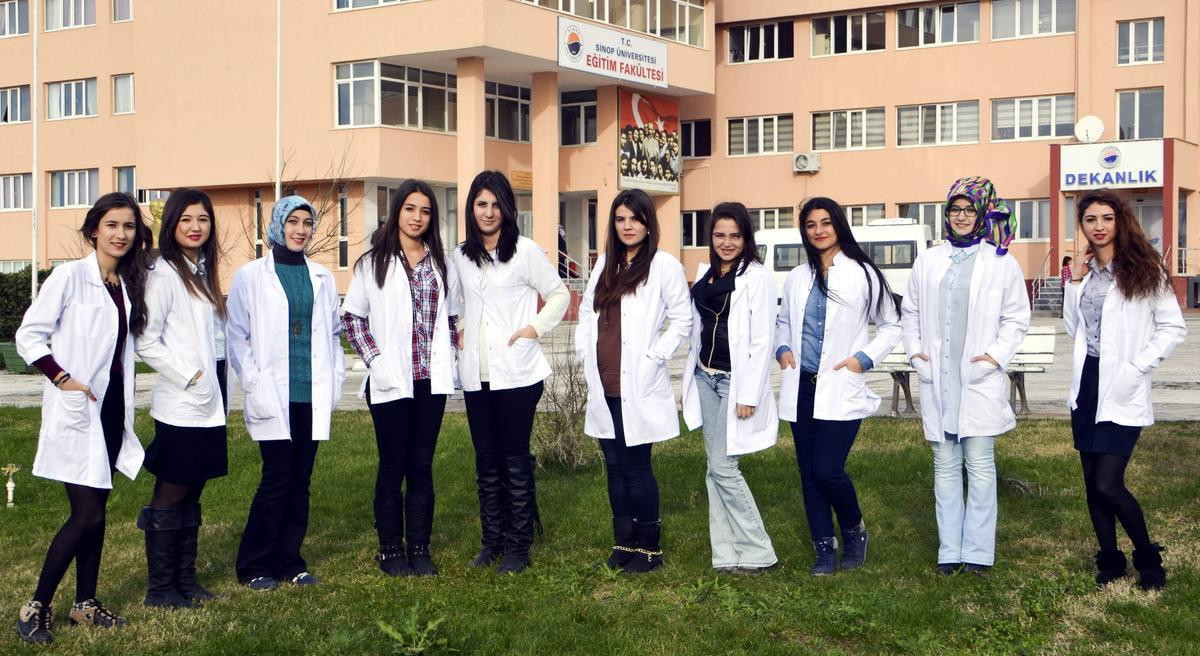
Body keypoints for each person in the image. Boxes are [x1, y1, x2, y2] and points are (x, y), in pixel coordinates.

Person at [14, 192, 152, 643]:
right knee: (86, 515)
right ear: (94, 230)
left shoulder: (124, 285)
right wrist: (61, 377)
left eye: (129, 226)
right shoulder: (70, 277)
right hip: (78, 408)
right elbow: (29, 336)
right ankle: (35, 606)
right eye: (112, 225)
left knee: (98, 510)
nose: (120, 234)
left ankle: (85, 605)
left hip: (110, 411)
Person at [901, 177, 1030, 576]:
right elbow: (910, 312)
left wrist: (994, 357)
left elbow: (1016, 318)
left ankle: (977, 552)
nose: (961, 216)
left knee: (980, 466)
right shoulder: (928, 260)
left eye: (969, 209)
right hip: (938, 378)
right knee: (944, 465)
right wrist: (915, 353)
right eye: (955, 209)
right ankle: (949, 551)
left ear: (983, 213)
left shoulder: (1001, 262)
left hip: (976, 378)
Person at [1064, 189, 1186, 590]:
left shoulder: (1145, 268)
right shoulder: (1085, 275)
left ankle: (1148, 561)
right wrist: (1075, 281)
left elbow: (1172, 328)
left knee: (1108, 483)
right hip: (1088, 383)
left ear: (1120, 221)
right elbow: (1073, 328)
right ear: (1082, 226)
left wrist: (1137, 367)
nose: (1098, 227)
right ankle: (1110, 562)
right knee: (1091, 484)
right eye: (1090, 220)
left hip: (1122, 383)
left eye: (1106, 218)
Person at [451, 171, 570, 574]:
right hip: (477, 375)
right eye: (481, 204)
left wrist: (533, 329)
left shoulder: (524, 251)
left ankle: (519, 546)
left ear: (507, 208)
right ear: (471, 209)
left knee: (514, 458)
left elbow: (559, 294)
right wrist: (461, 327)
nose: (488, 212)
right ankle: (492, 542)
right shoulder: (460, 256)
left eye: (495, 204)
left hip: (517, 373)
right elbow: (455, 303)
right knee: (486, 460)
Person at [775, 197, 901, 576]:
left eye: (825, 223)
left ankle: (853, 529)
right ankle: (824, 548)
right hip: (802, 385)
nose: (818, 231)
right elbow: (783, 321)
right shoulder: (797, 277)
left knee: (827, 470)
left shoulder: (863, 273)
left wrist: (864, 358)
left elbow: (892, 324)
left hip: (841, 385)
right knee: (808, 473)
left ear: (838, 225)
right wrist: (782, 348)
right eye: (811, 225)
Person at [228, 195, 346, 590]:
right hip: (272, 393)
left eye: (307, 223)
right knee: (277, 477)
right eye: (292, 221)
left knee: (301, 480)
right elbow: (237, 335)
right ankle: (254, 564)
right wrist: (252, 380)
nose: (300, 230)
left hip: (310, 393)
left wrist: (336, 378)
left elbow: (333, 334)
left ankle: (290, 561)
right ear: (278, 225)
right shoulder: (251, 276)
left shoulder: (322, 277)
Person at [342, 180, 458, 577]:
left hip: (429, 381)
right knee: (393, 465)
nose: (417, 218)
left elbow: (451, 317)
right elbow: (353, 319)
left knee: (421, 466)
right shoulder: (373, 263)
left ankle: (420, 549)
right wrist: (376, 362)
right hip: (391, 380)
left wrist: (450, 355)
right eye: (410, 209)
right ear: (397, 212)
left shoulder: (440, 263)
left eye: (425, 211)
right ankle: (391, 551)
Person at [576, 189, 691, 574]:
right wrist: (584, 352)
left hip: (638, 382)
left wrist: (655, 356)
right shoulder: (605, 264)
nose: (627, 226)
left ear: (648, 224)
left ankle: (650, 547)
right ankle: (624, 541)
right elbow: (587, 314)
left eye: (635, 219)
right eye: (620, 219)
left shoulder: (663, 266)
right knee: (613, 465)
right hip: (604, 378)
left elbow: (683, 319)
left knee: (636, 466)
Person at [134, 189, 230, 607]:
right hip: (182, 404)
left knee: (193, 492)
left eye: (203, 219)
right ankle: (160, 588)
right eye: (187, 219)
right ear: (171, 224)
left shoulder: (201, 270)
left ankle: (185, 579)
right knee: (171, 494)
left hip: (209, 401)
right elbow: (146, 341)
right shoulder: (164, 273)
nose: (195, 227)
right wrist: (191, 377)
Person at [680, 202, 779, 573]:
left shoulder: (757, 277)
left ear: (745, 237)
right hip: (705, 376)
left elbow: (762, 340)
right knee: (714, 467)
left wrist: (748, 395)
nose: (726, 242)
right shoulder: (706, 274)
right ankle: (725, 553)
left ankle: (759, 550)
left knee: (724, 467)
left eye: (734, 236)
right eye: (719, 235)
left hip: (734, 382)